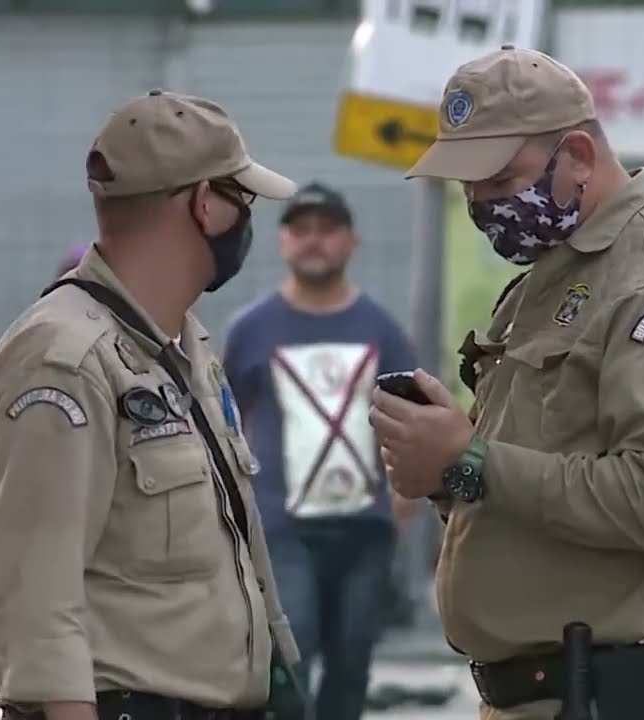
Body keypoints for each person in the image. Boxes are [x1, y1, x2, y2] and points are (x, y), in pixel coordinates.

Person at [368, 46, 644, 720]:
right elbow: (534, 489)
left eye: (500, 178)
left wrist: (471, 460)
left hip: (620, 696)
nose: (481, 203)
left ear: (578, 155)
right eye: (468, 186)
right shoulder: (556, 278)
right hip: (543, 695)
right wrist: (447, 471)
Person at [0, 89, 303, 720]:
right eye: (242, 198)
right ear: (205, 204)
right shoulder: (64, 359)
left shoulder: (181, 345)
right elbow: (37, 600)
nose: (246, 220)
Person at [222, 181, 418, 720]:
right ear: (283, 241)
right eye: (301, 229)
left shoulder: (383, 331)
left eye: (327, 230)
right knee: (293, 655)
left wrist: (401, 507)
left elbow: (414, 423)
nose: (314, 241)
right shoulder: (251, 330)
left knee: (352, 664)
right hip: (282, 529)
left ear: (352, 241)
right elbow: (224, 425)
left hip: (366, 529)